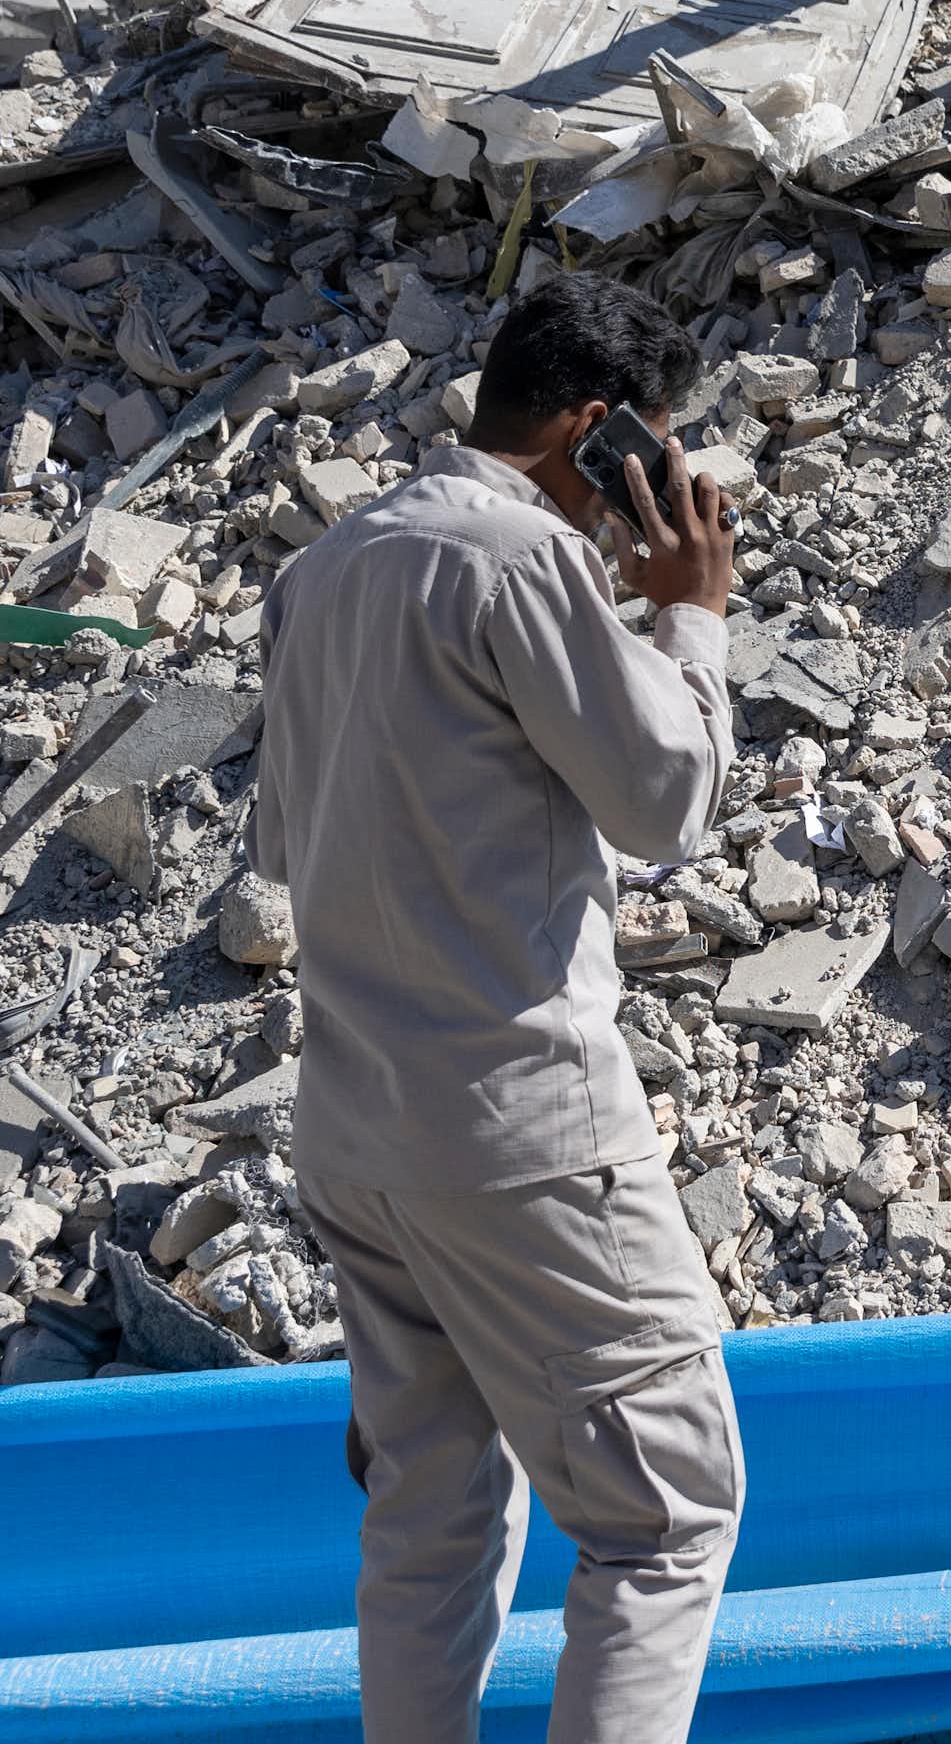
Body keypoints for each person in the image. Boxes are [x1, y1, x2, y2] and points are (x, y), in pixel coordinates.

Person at [255, 273, 744, 1744]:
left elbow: (284, 849)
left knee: (432, 1518)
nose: (652, 493)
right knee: (666, 1513)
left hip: (357, 1133)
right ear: (594, 431)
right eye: (647, 455)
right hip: (522, 1131)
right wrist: (691, 620)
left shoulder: (328, 568)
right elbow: (667, 798)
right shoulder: (522, 559)